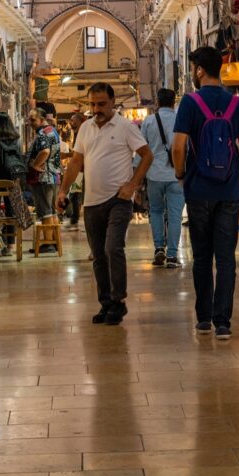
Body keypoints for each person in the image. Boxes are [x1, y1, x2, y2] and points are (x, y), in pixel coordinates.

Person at [172, 47, 239, 340]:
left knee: (202, 256)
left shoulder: (190, 103)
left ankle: (203, 318)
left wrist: (180, 173)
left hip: (198, 189)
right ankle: (223, 323)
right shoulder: (236, 104)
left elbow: (179, 146)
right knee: (226, 257)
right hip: (228, 190)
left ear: (199, 71)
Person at [57, 82, 153, 325]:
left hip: (118, 200)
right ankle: (106, 303)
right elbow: (76, 162)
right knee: (99, 256)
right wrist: (63, 190)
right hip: (91, 202)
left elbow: (147, 155)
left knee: (113, 248)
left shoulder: (124, 127)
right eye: (92, 104)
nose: (96, 108)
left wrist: (132, 185)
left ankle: (118, 301)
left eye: (101, 104)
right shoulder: (86, 128)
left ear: (112, 102)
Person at [141, 88, 184, 268]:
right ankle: (173, 256)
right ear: (174, 102)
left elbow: (141, 151)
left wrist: (137, 178)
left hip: (154, 175)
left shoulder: (149, 122)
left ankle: (159, 247)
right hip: (177, 175)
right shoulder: (180, 120)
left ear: (157, 102)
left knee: (156, 212)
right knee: (175, 216)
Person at [26, 106, 61, 223]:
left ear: (41, 119)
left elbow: (45, 151)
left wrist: (35, 165)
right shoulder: (52, 131)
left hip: (43, 178)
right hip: (53, 176)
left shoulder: (42, 133)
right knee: (51, 211)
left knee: (45, 213)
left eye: (33, 120)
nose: (30, 123)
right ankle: (54, 240)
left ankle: (47, 241)